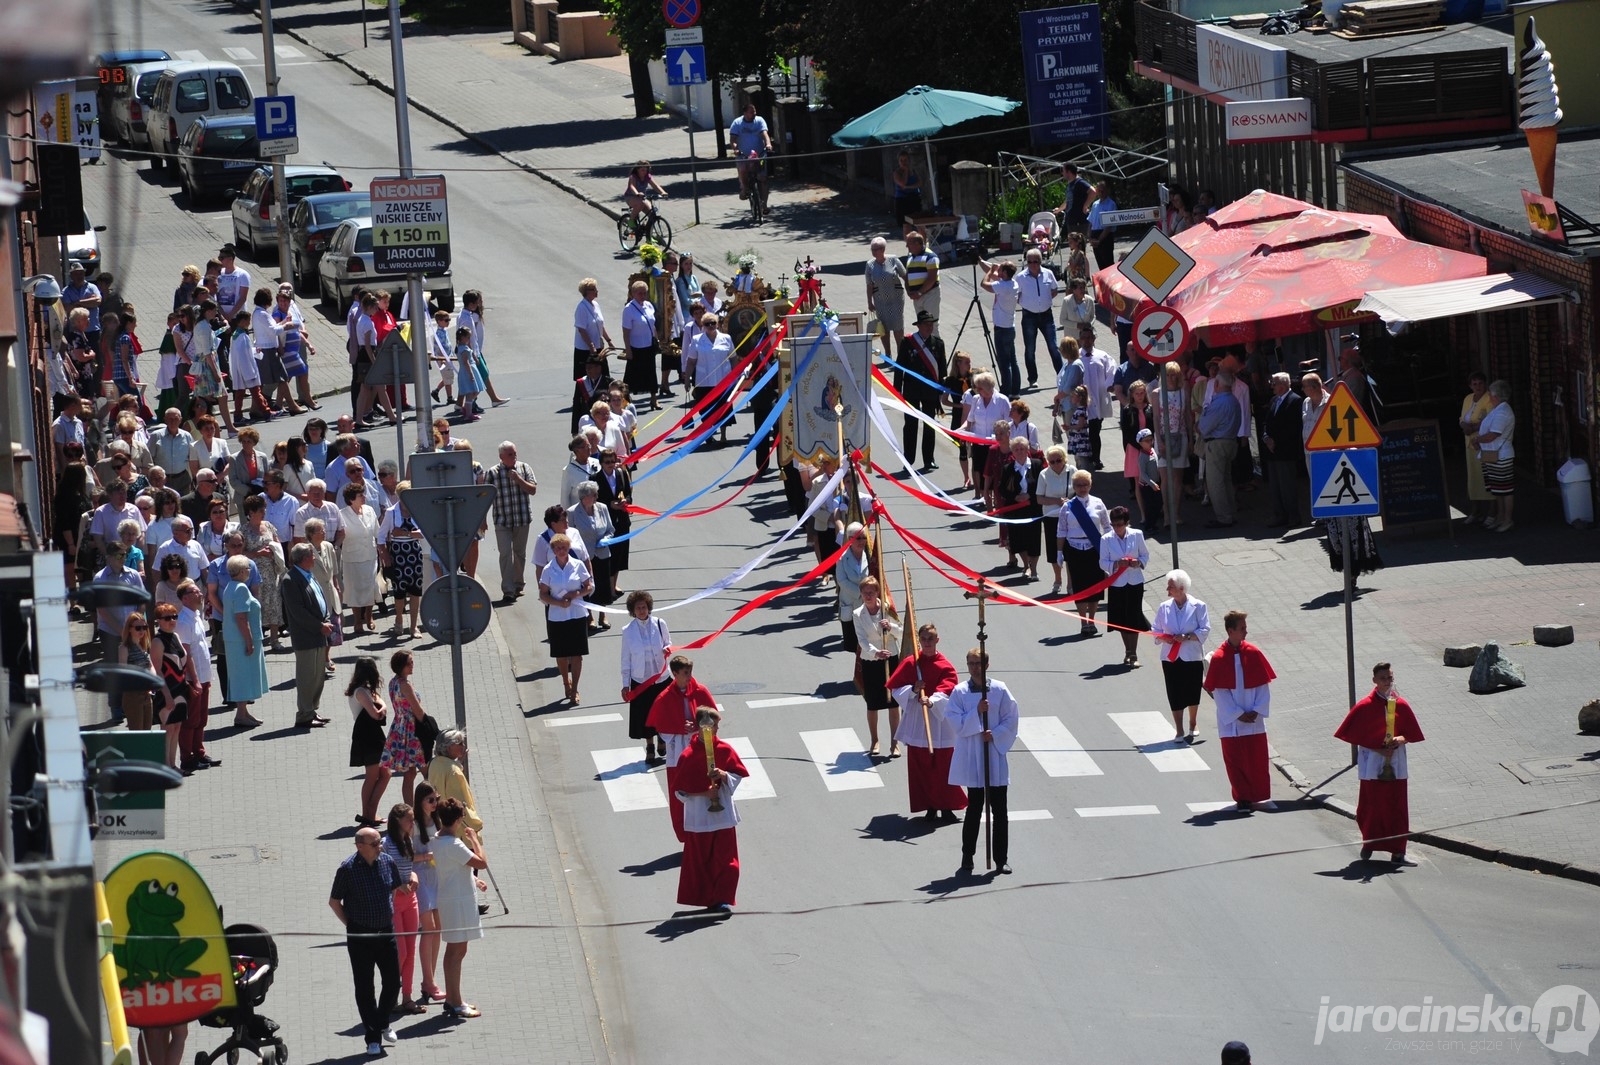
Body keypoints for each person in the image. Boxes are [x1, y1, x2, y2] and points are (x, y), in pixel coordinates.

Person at [938, 647, 1019, 876]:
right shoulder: (960, 692)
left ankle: (1001, 859)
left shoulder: (1000, 690)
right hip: (974, 754)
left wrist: (995, 733)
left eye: (978, 663)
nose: (974, 667)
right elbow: (953, 721)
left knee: (1000, 811)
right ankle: (967, 856)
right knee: (974, 808)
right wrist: (977, 713)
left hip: (993, 753)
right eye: (971, 663)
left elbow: (1011, 718)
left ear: (986, 665)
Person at [1335, 662, 1425, 863]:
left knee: (1397, 805)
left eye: (1390, 678)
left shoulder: (1400, 704)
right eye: (1383, 678)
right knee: (1371, 805)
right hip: (1372, 763)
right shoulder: (1365, 706)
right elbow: (1353, 734)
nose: (1387, 682)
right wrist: (1376, 747)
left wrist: (1401, 739)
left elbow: (1410, 733)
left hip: (1396, 762)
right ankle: (1370, 843)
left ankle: (1398, 850)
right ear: (1374, 680)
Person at [328, 826, 404, 1057]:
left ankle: (381, 1022)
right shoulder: (348, 869)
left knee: (393, 983)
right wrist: (351, 926)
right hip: (360, 936)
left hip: (385, 932)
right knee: (365, 988)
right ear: (360, 847)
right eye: (375, 843)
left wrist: (386, 913)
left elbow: (392, 890)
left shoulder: (386, 861)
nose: (380, 846)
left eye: (380, 841)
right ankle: (373, 1038)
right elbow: (334, 901)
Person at [888, 624, 965, 822]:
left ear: (937, 640)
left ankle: (947, 805)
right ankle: (929, 805)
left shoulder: (945, 665)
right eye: (924, 638)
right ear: (919, 640)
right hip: (918, 719)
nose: (927, 642)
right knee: (920, 765)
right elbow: (895, 688)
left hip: (939, 720)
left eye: (931, 638)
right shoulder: (911, 663)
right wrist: (914, 690)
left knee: (943, 765)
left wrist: (932, 701)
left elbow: (949, 688)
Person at [1202, 610, 1278, 812]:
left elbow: (1263, 685)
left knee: (1257, 759)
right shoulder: (1219, 658)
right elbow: (1220, 692)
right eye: (1242, 628)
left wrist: (1256, 710)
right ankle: (1242, 798)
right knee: (1236, 761)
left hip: (1254, 719)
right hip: (1232, 722)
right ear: (1230, 631)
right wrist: (1237, 713)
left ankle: (1261, 796)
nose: (1246, 631)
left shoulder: (1253, 653)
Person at [673, 707, 747, 913]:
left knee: (727, 861)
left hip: (723, 816)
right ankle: (708, 899)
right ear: (702, 727)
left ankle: (723, 898)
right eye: (714, 726)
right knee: (701, 863)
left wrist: (724, 775)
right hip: (700, 818)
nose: (716, 730)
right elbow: (680, 792)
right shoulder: (687, 756)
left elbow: (737, 775)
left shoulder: (724, 749)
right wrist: (703, 794)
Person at [646, 655, 715, 842]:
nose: (689, 676)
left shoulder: (700, 690)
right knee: (681, 795)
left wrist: (696, 727)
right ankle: (685, 835)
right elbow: (660, 726)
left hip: (699, 750)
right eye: (685, 673)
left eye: (690, 672)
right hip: (677, 754)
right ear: (675, 674)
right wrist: (678, 728)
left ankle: (705, 831)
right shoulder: (665, 697)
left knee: (704, 789)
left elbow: (713, 719)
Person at [432, 797, 487, 1019]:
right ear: (458, 819)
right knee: (456, 951)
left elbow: (455, 867)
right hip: (458, 901)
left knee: (456, 950)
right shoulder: (452, 844)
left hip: (453, 897)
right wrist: (475, 840)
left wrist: (474, 881)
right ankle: (454, 1002)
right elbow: (481, 863)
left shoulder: (439, 838)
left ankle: (453, 999)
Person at [1151, 569, 1210, 743]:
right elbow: (1155, 630)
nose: (1167, 591)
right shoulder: (1164, 607)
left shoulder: (1199, 606)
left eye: (1171, 587)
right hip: (1170, 658)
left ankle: (1193, 722)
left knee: (1192, 690)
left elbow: (1205, 629)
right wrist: (1163, 638)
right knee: (1174, 692)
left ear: (1182, 588)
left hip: (1191, 656)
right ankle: (1179, 729)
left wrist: (1187, 637)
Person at [379, 804, 425, 1016]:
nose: (412, 823)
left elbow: (409, 865)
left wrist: (413, 876)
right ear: (397, 820)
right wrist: (397, 885)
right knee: (401, 952)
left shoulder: (407, 840)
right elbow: (381, 871)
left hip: (411, 900)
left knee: (411, 951)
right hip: (394, 902)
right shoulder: (385, 844)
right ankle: (390, 996)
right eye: (409, 819)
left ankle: (407, 998)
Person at [281, 542, 333, 729]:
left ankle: (311, 710)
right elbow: (297, 612)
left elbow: (319, 598)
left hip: (319, 633)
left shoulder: (309, 575)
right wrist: (320, 626)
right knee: (306, 677)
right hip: (306, 636)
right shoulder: (290, 580)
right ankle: (304, 714)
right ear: (303, 559)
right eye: (312, 555)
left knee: (318, 676)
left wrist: (325, 619)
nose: (315, 558)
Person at [539, 533, 593, 705]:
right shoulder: (548, 569)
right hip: (557, 617)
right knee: (561, 654)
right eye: (558, 548)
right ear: (553, 550)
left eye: (564, 547)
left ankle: (575, 689)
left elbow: (589, 586)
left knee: (577, 655)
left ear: (569, 548)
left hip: (576, 615)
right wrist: (557, 602)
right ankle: (566, 683)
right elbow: (542, 594)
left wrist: (575, 594)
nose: (561, 551)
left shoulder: (577, 565)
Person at [1057, 469, 1111, 635]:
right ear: (1073, 486)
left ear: (1090, 485)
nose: (1082, 488)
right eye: (1079, 485)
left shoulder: (1098, 503)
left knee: (1095, 586)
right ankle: (1083, 621)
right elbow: (1061, 531)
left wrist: (1110, 549)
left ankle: (1092, 620)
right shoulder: (1068, 506)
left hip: (1094, 549)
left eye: (1085, 485)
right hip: (1074, 550)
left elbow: (1107, 526)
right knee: (1080, 587)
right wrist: (1059, 552)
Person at [854, 576, 902, 757]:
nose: (868, 595)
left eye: (871, 592)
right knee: (873, 703)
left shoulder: (887, 608)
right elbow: (862, 640)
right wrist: (876, 652)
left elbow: (901, 631)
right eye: (865, 592)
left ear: (877, 593)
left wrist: (889, 626)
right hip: (871, 661)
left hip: (890, 657)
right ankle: (874, 740)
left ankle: (894, 742)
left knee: (892, 702)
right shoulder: (858, 614)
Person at [895, 311, 947, 472]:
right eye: (926, 324)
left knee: (930, 425)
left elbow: (942, 370)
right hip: (911, 391)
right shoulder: (908, 342)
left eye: (931, 324)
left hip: (930, 392)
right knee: (910, 425)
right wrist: (896, 391)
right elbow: (899, 367)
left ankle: (929, 459)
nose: (929, 327)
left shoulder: (938, 343)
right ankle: (908, 460)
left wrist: (941, 392)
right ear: (919, 326)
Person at [408, 783, 445, 1005]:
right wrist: (427, 856)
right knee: (428, 928)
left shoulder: (437, 819)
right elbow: (405, 855)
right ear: (420, 800)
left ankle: (429, 980)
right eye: (430, 799)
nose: (435, 803)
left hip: (436, 875)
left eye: (436, 799)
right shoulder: (413, 825)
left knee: (438, 928)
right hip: (420, 877)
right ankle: (428, 982)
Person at [221, 554, 268, 727]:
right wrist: (249, 641)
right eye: (248, 568)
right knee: (243, 676)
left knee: (241, 676)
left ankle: (243, 712)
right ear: (241, 571)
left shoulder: (230, 586)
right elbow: (242, 618)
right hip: (241, 640)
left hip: (235, 639)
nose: (250, 570)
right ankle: (240, 715)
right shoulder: (240, 588)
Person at [1099, 506, 1149, 668]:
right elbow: (1102, 562)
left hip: (1134, 582)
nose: (1117, 528)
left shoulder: (1137, 534)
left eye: (1120, 524)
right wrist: (1115, 564)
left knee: (1134, 616)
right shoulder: (1106, 539)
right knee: (1120, 617)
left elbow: (1145, 555)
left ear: (1127, 523)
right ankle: (1128, 650)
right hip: (1117, 583)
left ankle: (1133, 653)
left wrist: (1138, 563)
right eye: (1114, 525)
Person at [348, 655, 391, 829]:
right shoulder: (360, 692)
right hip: (367, 737)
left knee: (385, 774)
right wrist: (382, 710)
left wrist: (383, 708)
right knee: (372, 776)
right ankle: (368, 814)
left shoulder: (365, 690)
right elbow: (376, 713)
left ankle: (370, 812)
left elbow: (382, 705)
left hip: (373, 735)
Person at [377, 484, 423, 637]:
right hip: (398, 554)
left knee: (416, 591)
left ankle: (414, 626)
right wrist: (385, 556)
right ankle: (399, 621)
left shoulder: (418, 510)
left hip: (414, 553)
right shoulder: (391, 513)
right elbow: (381, 536)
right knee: (399, 591)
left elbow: (423, 533)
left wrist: (405, 533)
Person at [1198, 369, 1243, 528]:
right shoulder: (1234, 401)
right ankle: (1230, 513)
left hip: (1217, 444)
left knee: (1215, 482)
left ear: (1217, 384)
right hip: (1230, 441)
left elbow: (1204, 427)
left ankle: (1224, 517)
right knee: (1226, 479)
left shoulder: (1219, 403)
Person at [1471, 380, 1516, 533]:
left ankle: (1507, 519)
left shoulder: (1503, 411)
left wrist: (1477, 439)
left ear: (1496, 396)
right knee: (1497, 490)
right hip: (1492, 454)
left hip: (1501, 455)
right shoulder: (1497, 409)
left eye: (1490, 394)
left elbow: (1493, 435)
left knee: (1505, 490)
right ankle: (1500, 516)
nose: (1489, 397)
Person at [1261, 371, 1304, 527]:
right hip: (1272, 452)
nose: (1272, 386)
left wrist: (1275, 441)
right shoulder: (1274, 400)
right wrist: (1266, 437)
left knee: (1287, 486)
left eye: (1275, 383)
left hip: (1285, 451)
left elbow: (1293, 427)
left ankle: (1293, 516)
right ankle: (1279, 515)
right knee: (1275, 486)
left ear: (1284, 385)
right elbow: (1267, 422)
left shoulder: (1296, 401)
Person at [151, 604, 190, 770]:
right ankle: (165, 766)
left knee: (176, 727)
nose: (172, 620)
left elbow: (183, 661)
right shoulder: (157, 641)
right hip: (166, 689)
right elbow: (157, 669)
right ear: (158, 621)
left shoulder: (175, 636)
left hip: (180, 688)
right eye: (167, 618)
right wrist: (166, 694)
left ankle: (173, 765)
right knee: (167, 728)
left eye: (174, 616)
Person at [339, 483, 381, 634]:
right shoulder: (342, 514)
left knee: (371, 587)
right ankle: (357, 620)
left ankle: (369, 617)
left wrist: (383, 550)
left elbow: (377, 531)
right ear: (351, 499)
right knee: (353, 590)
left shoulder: (369, 510)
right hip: (352, 557)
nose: (364, 497)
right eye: (360, 495)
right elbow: (340, 535)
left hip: (370, 555)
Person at [1015, 249, 1059, 388]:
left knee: (1053, 346)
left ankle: (1062, 376)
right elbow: (1017, 295)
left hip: (1047, 315)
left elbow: (1054, 289)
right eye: (1030, 262)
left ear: (1041, 261)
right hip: (1029, 315)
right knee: (1030, 348)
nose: (1033, 264)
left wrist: (1044, 301)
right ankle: (1032, 379)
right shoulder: (1020, 277)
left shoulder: (1048, 273)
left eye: (1036, 261)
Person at [427, 731, 483, 834]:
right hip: (459, 830)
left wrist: (457, 763)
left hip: (439, 823)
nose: (464, 746)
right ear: (448, 747)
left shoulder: (434, 763)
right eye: (460, 743)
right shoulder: (453, 772)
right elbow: (459, 803)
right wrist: (475, 825)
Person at [1458, 372, 1494, 525]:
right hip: (1470, 445)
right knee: (1474, 479)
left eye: (1480, 383)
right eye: (1474, 384)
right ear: (1470, 386)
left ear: (1485, 384)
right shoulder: (1467, 398)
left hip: (1486, 444)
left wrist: (1472, 428)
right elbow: (1461, 418)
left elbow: (1491, 419)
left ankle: (1492, 513)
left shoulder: (1490, 398)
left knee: (1490, 477)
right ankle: (1476, 511)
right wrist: (1464, 425)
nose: (1478, 386)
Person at [865, 238, 909, 360]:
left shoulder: (893, 259)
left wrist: (911, 290)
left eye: (876, 249)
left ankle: (901, 355)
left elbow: (905, 276)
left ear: (883, 249)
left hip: (896, 299)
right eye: (872, 249)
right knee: (883, 326)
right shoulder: (870, 265)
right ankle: (888, 353)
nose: (874, 252)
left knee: (897, 326)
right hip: (880, 301)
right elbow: (869, 285)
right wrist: (869, 302)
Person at [619, 280, 659, 410]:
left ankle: (654, 399)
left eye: (644, 293)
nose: (642, 295)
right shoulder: (629, 309)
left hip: (648, 345)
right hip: (635, 347)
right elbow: (626, 332)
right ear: (633, 293)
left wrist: (656, 339)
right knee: (631, 375)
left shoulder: (649, 305)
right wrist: (628, 349)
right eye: (639, 293)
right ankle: (624, 401)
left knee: (651, 373)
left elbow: (652, 325)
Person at [117, 613, 157, 732]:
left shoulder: (143, 645)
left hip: (146, 693)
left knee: (147, 731)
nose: (142, 631)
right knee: (137, 732)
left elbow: (150, 666)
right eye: (138, 628)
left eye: (144, 627)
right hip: (133, 695)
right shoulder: (124, 648)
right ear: (129, 628)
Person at [572, 278, 613, 383]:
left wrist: (608, 340)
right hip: (585, 349)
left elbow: (600, 325)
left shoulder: (596, 305)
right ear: (586, 292)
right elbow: (581, 329)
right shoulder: (581, 308)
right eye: (593, 289)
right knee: (587, 378)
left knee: (603, 375)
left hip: (598, 347)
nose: (596, 291)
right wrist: (591, 346)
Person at [728, 103, 771, 201]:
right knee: (742, 168)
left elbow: (765, 134)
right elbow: (733, 139)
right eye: (751, 112)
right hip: (743, 155)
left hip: (759, 155)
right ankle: (745, 189)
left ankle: (764, 205)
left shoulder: (759, 120)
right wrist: (736, 149)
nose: (754, 113)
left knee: (763, 178)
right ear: (745, 113)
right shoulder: (737, 123)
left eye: (755, 111)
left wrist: (768, 144)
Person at [902, 230, 940, 329]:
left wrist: (919, 292)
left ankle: (934, 344)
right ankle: (923, 344)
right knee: (922, 325)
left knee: (931, 324)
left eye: (908, 243)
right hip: (916, 297)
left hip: (930, 295)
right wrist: (909, 291)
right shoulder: (910, 256)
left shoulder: (931, 257)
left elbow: (932, 278)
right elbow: (907, 276)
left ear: (917, 244)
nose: (906, 246)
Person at [1087, 181, 1118, 271]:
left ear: (1107, 190)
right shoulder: (1095, 204)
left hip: (1105, 236)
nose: (1101, 193)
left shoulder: (1111, 204)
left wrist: (1099, 240)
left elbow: (1109, 226)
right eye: (1099, 190)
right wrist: (1089, 237)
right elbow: (1091, 221)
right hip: (1095, 234)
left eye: (1103, 190)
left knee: (1108, 263)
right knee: (1100, 264)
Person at [1056, 162, 1092, 232]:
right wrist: (1058, 210)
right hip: (1071, 221)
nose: (1062, 173)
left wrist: (1086, 206)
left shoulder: (1080, 182)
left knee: (1079, 241)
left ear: (1068, 172)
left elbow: (1093, 191)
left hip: (1080, 220)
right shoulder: (1070, 184)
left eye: (1063, 171)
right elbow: (1068, 201)